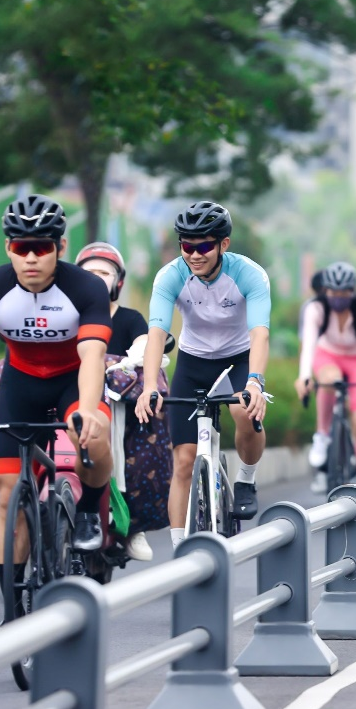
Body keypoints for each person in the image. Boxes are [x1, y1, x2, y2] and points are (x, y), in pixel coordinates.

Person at [0, 194, 114, 596]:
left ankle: (88, 511)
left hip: (73, 378)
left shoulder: (86, 288)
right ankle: (12, 606)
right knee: (6, 496)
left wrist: (86, 411)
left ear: (61, 248)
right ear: (7, 249)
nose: (31, 257)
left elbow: (92, 356)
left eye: (42, 247)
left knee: (96, 433)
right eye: (21, 247)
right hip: (21, 381)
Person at [134, 201, 270, 547]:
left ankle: (246, 478)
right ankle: (180, 549)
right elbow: (156, 334)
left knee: (243, 410)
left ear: (224, 244)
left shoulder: (249, 275)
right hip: (193, 364)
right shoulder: (170, 276)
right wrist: (150, 384)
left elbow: (259, 334)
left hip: (237, 360)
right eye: (187, 246)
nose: (194, 255)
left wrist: (255, 381)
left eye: (204, 246)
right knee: (182, 461)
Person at [75, 242, 156, 561]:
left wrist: (140, 352)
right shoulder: (69, 315)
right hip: (74, 394)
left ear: (118, 281)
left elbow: (145, 341)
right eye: (88, 273)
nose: (95, 279)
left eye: (103, 273)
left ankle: (133, 525)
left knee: (142, 442)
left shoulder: (129, 318)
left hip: (118, 400)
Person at [296, 262, 356, 488]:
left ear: (353, 291)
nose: (339, 297)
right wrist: (304, 376)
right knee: (329, 380)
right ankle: (323, 435)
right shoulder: (315, 308)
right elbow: (309, 345)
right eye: (334, 292)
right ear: (326, 290)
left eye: (345, 292)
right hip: (328, 355)